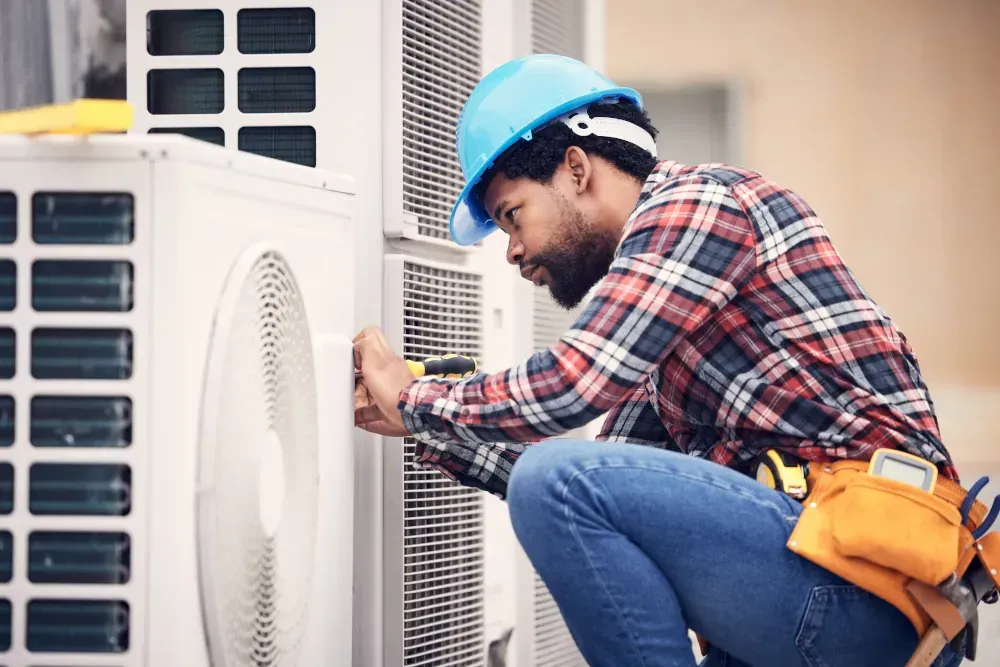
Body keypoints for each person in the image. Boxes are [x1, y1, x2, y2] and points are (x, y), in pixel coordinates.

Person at [353, 54, 968, 667]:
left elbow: (572, 387)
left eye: (512, 216)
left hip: (870, 585)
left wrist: (414, 397)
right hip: (823, 577)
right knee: (559, 480)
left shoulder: (702, 203)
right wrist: (428, 426)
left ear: (575, 169)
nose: (512, 252)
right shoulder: (665, 308)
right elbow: (592, 487)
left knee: (560, 478)